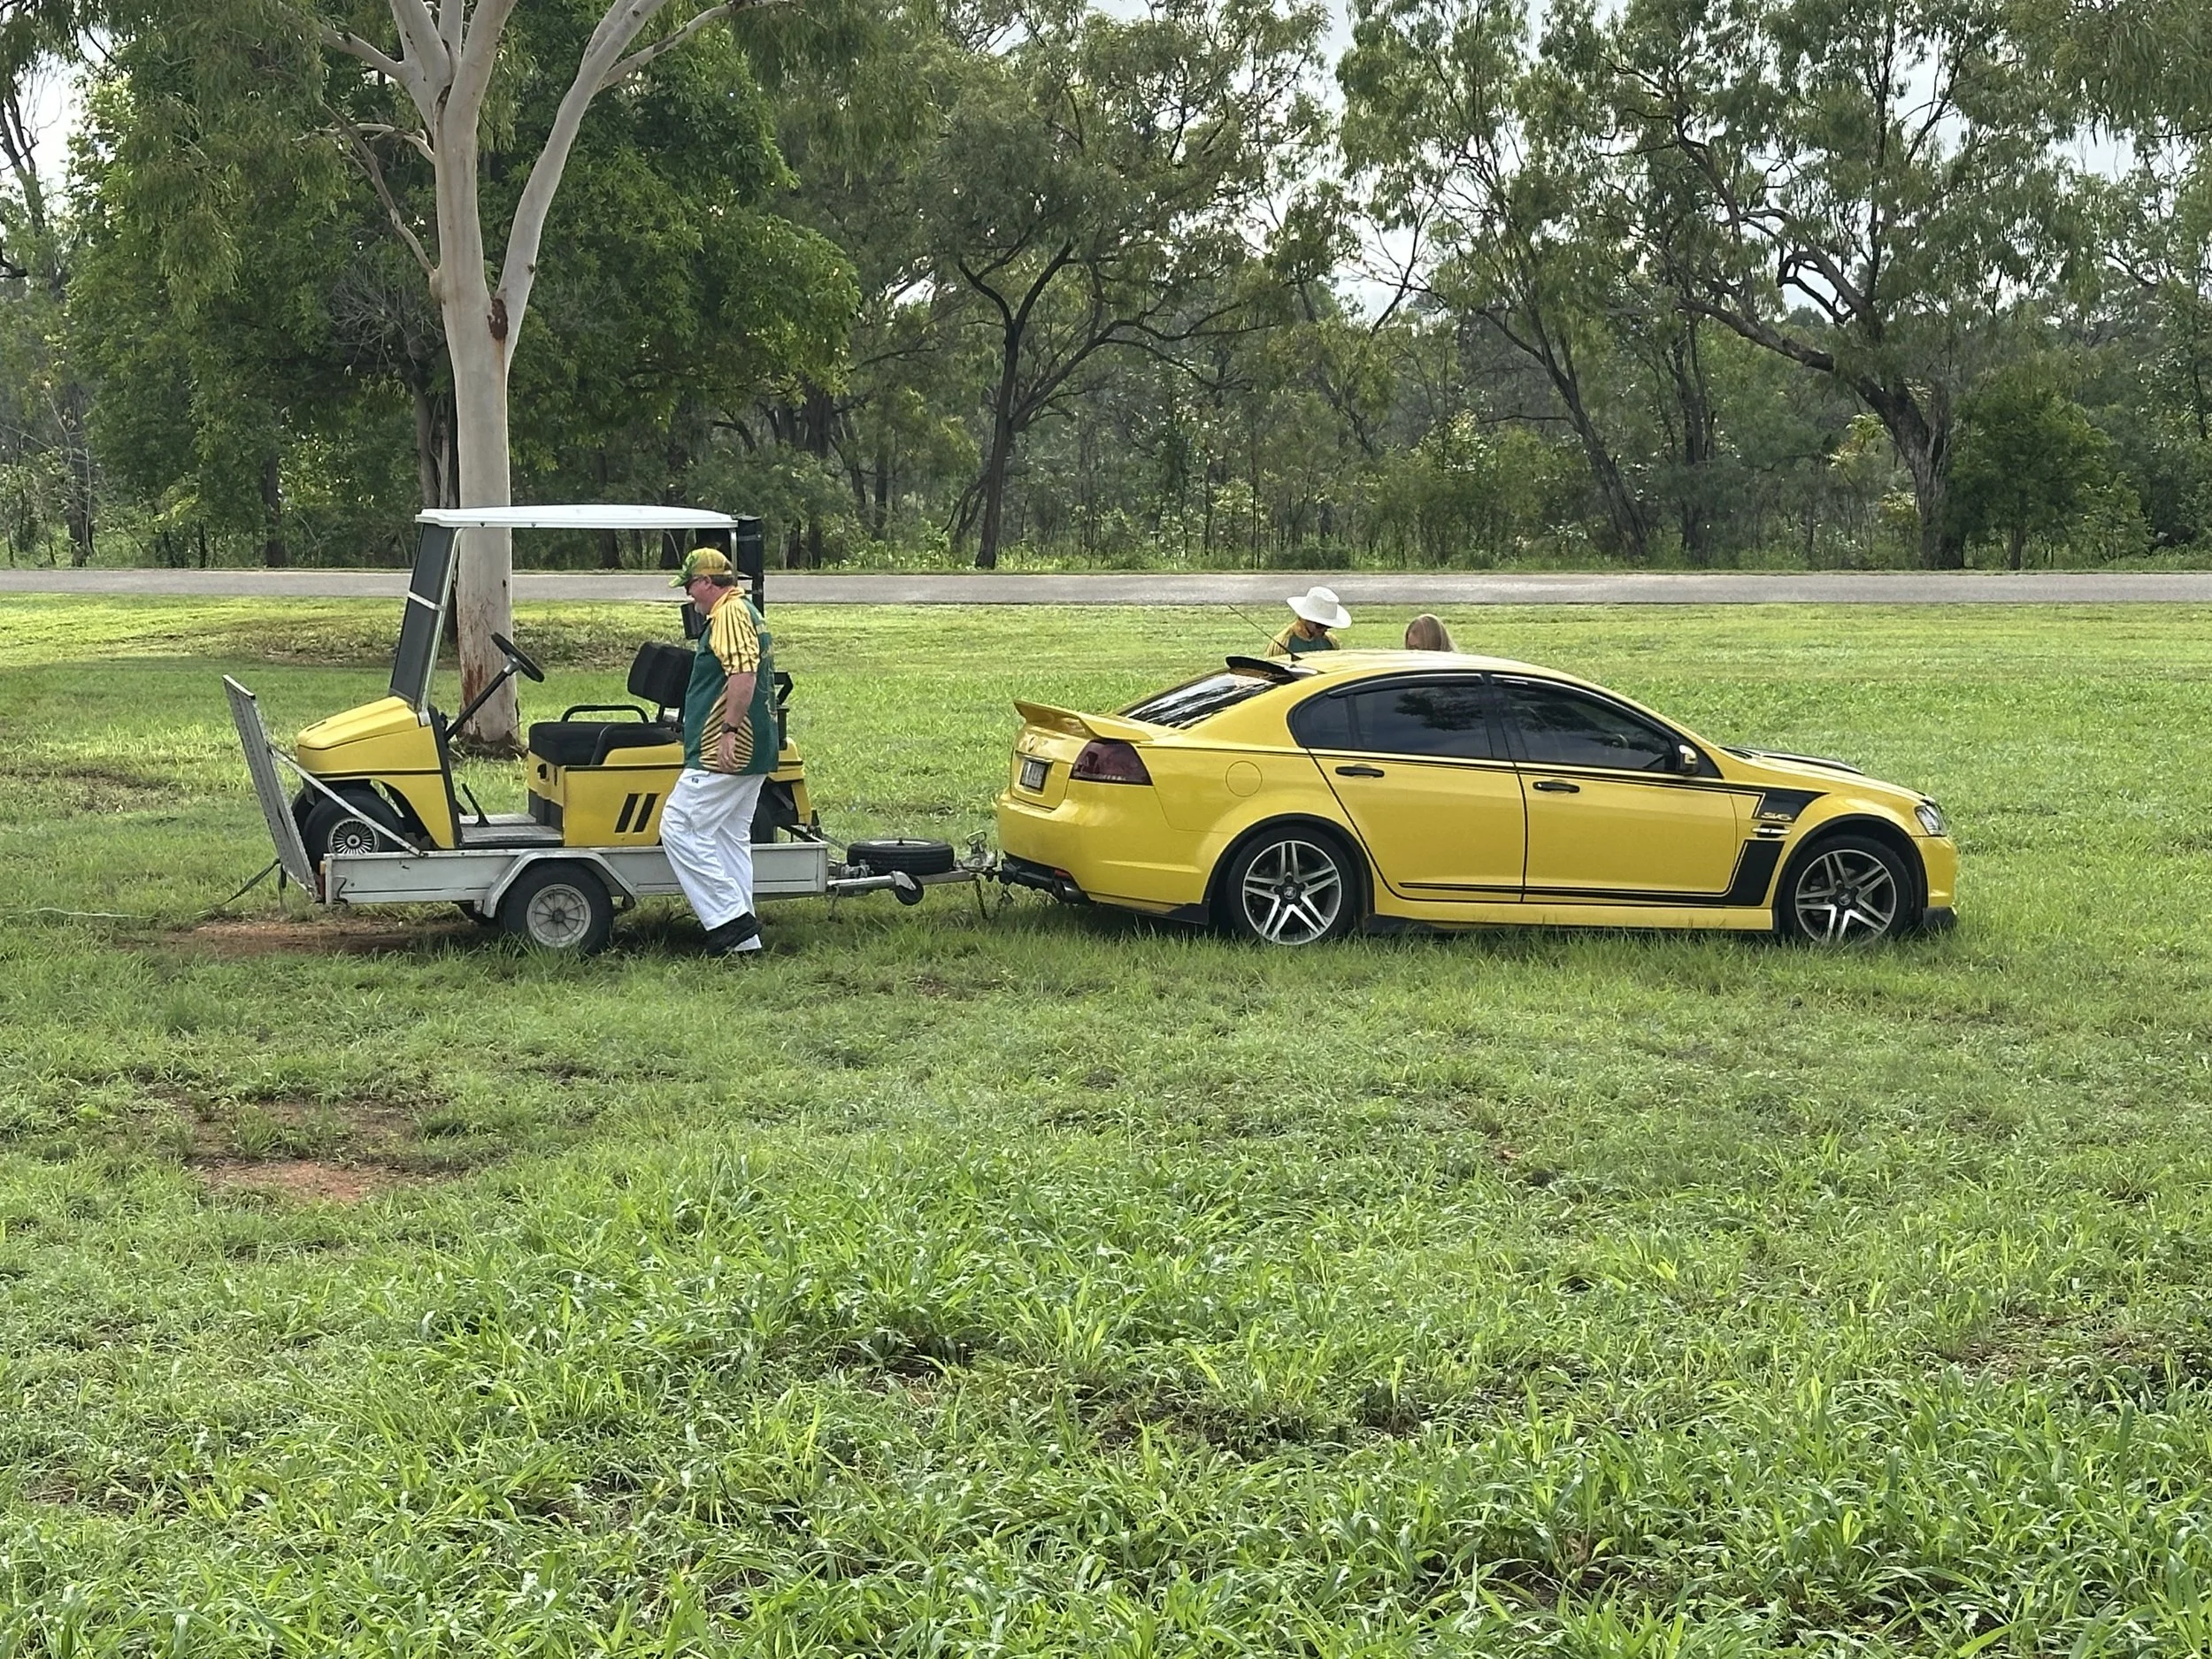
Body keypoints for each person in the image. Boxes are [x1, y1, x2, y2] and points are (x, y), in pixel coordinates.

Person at [659, 547, 780, 957]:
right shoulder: (747, 610)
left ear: (707, 582)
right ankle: (746, 945)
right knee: (729, 838)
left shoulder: (727, 615)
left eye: (691, 586)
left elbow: (743, 675)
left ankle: (730, 922)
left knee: (678, 826)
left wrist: (727, 731)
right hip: (757, 748)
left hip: (726, 748)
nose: (690, 596)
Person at [1268, 586, 1350, 657]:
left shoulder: (1330, 642)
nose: (1324, 630)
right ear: (1304, 619)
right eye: (1320, 625)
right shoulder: (1282, 644)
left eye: (1328, 626)